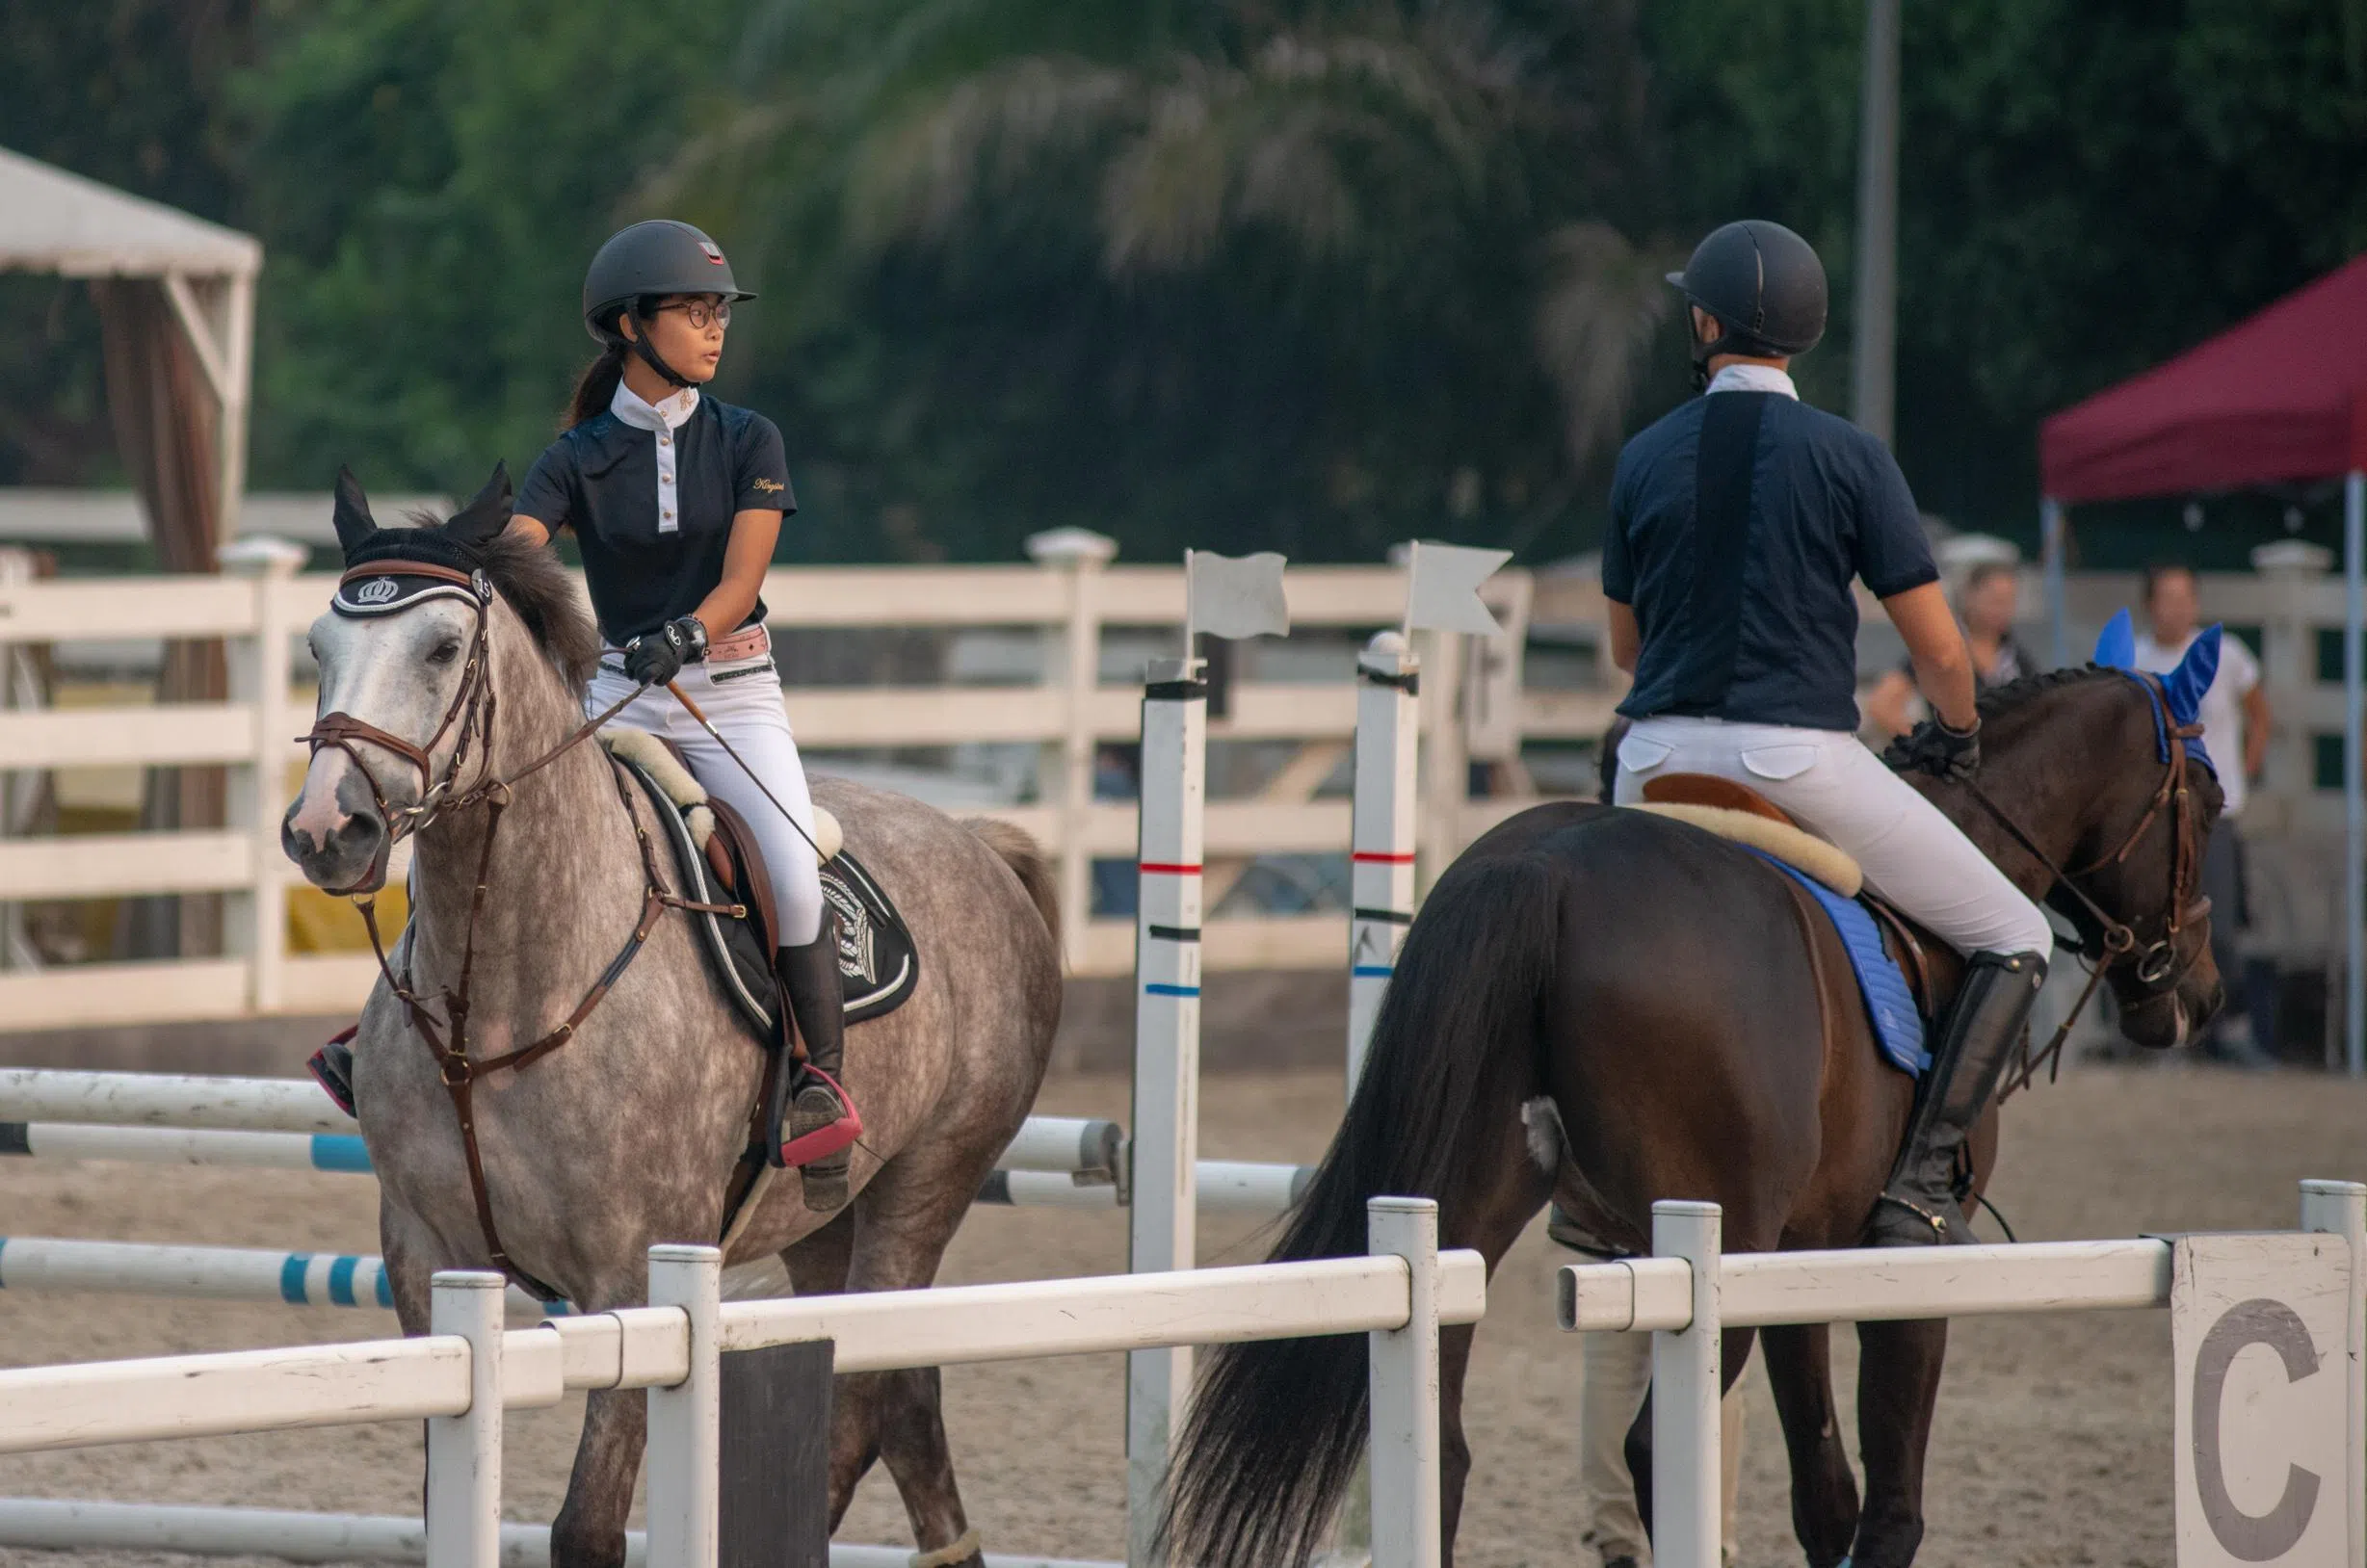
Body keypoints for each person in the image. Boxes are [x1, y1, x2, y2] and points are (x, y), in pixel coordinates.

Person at [1601, 219, 2056, 1246]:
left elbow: (1626, 649)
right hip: (1796, 763)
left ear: (1709, 322)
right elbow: (1943, 653)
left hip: (1654, 764)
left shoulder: (1641, 457)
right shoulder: (1851, 456)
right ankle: (1924, 1180)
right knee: (2017, 932)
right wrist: (1959, 727)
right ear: (1798, 337)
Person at [508, 219, 855, 1212]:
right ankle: (387, 1027)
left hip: (730, 692)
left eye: (718, 312)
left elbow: (742, 581)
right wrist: (481, 557)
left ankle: (818, 1079)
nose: (714, 328)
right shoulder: (573, 456)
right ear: (628, 325)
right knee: (499, 813)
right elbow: (524, 551)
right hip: (616, 689)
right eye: (694, 311)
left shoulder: (749, 438)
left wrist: (688, 640)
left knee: (790, 866)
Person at [2134, 562, 2274, 1066]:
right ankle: (2176, 1035)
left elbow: (2260, 715)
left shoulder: (2227, 654)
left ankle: (2233, 1030)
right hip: (2160, 817)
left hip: (2216, 816)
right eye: (2166, 597)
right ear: (2150, 603)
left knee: (2225, 928)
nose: (2176, 607)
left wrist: (2244, 772)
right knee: (2161, 928)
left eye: (2185, 597)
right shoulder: (2138, 659)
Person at [1864, 560, 2035, 737]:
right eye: (1994, 600)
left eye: (2008, 601)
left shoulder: (2017, 659)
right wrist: (1926, 743)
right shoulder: (1943, 648)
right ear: (1970, 595)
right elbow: (1881, 705)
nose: (2001, 609)